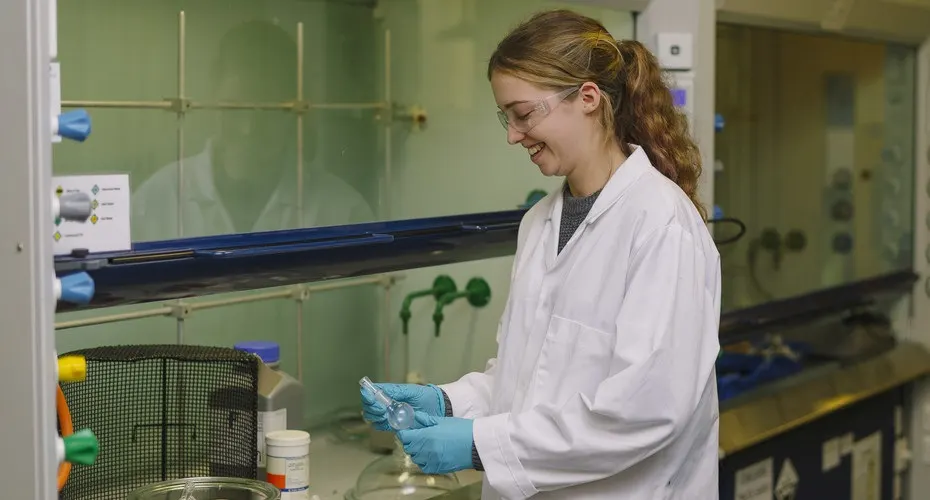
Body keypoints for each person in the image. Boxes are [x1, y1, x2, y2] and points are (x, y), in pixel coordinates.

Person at [361, 9, 720, 500]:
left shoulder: (661, 225)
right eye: (505, 118)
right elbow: (524, 381)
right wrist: (447, 403)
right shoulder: (539, 224)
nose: (513, 135)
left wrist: (479, 445)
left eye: (524, 114)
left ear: (588, 98)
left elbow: (645, 409)